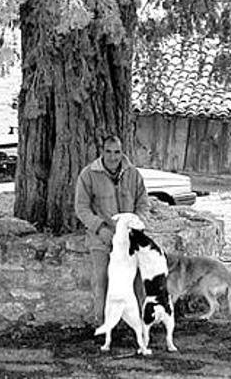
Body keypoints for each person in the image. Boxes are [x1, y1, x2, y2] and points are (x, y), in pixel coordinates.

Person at [74, 134, 151, 322]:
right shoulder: (88, 175)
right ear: (102, 152)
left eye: (117, 152)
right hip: (102, 237)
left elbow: (143, 204)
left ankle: (142, 322)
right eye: (108, 152)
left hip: (130, 238)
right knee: (102, 279)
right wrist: (100, 229)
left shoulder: (133, 174)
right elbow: (81, 208)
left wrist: (136, 225)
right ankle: (103, 323)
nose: (113, 157)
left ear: (122, 152)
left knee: (139, 279)